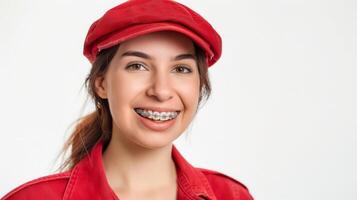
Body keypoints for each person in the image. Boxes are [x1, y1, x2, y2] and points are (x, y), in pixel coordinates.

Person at [1, 0, 253, 199]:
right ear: (101, 83)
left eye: (181, 69)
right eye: (137, 66)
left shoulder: (231, 196)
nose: (161, 90)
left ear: (199, 87)